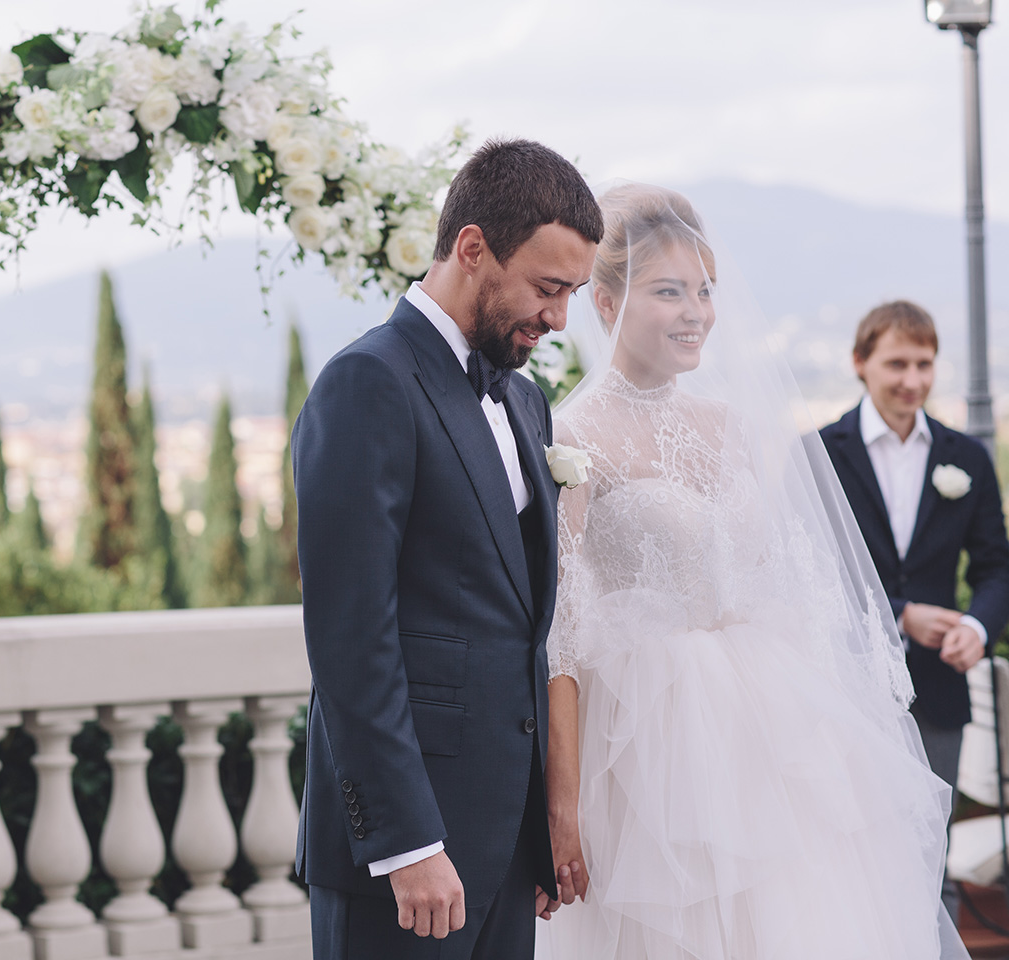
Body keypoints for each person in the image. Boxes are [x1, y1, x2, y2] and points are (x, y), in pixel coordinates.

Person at [538, 183, 966, 959]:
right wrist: (561, 804)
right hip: (643, 752)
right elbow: (560, 634)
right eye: (669, 292)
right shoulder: (572, 435)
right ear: (605, 302)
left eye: (705, 290)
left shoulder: (730, 423)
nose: (697, 312)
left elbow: (780, 579)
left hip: (766, 730)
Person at [291, 138, 601, 959]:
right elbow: (352, 641)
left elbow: (519, 627)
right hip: (405, 857)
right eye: (547, 287)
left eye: (572, 292)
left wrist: (537, 826)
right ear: (472, 248)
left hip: (504, 848)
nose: (559, 317)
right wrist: (406, 844)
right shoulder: (368, 383)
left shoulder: (528, 401)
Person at [820, 300, 1009, 922]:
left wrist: (978, 626)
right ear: (860, 363)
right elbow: (810, 577)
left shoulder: (968, 458)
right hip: (842, 688)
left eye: (924, 364)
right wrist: (902, 615)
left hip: (938, 689)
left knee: (934, 851)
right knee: (850, 850)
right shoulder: (819, 455)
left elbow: (995, 567)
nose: (912, 379)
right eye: (897, 362)